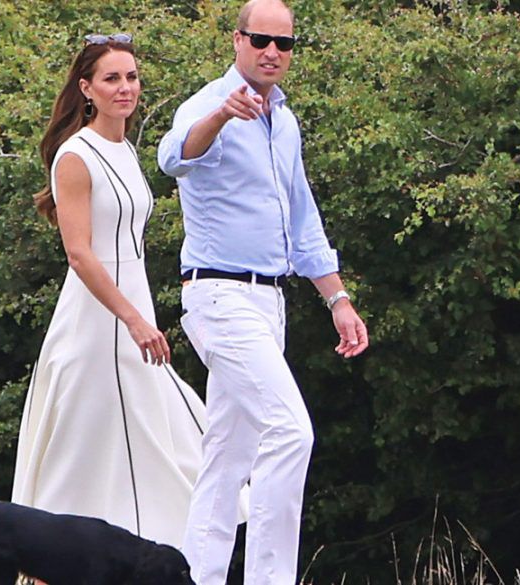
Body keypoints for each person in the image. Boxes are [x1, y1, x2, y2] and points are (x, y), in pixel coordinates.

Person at [157, 0, 370, 583]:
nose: (272, 52)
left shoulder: (286, 119)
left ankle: (196, 577)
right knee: (290, 431)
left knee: (228, 457)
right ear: (237, 40)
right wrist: (223, 116)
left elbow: (302, 219)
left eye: (284, 43)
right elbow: (173, 156)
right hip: (219, 298)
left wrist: (338, 299)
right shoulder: (208, 106)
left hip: (269, 302)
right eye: (260, 40)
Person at [11, 33, 208, 548]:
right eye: (112, 78)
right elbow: (79, 253)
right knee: (84, 453)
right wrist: (134, 319)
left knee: (172, 439)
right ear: (87, 89)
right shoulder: (75, 156)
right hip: (97, 322)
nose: (125, 88)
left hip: (133, 309)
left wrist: (141, 315)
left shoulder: (124, 149)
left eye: (132, 77)